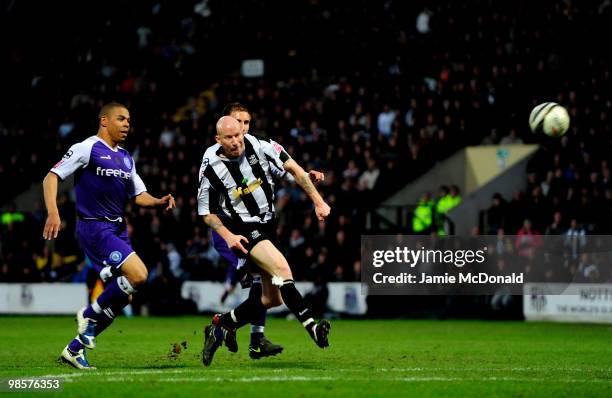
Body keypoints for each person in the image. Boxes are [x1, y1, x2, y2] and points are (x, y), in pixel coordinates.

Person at [43, 102, 176, 370]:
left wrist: (158, 201)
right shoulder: (87, 148)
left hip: (117, 228)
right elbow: (51, 177)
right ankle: (89, 313)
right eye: (121, 119)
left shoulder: (127, 157)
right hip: (94, 227)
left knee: (123, 297)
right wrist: (53, 212)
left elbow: (139, 195)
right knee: (138, 274)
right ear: (104, 121)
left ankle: (75, 349)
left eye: (129, 119)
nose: (127, 123)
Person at [197, 116, 331, 366]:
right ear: (218, 139)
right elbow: (206, 212)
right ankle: (312, 326)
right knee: (282, 270)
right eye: (229, 137)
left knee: (272, 299)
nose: (236, 141)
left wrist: (318, 201)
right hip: (243, 229)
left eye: (239, 133)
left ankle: (221, 325)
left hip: (268, 225)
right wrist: (228, 236)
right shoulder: (211, 165)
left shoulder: (260, 145)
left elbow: (294, 170)